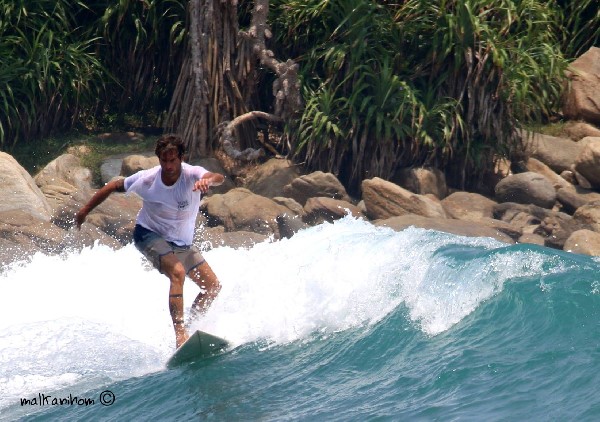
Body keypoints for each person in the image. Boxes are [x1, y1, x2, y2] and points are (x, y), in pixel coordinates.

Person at [76, 134, 225, 348]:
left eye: (173, 160)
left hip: (181, 243)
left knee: (212, 287)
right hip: (148, 235)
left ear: (181, 158)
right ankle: (180, 335)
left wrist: (208, 181)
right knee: (177, 272)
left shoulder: (193, 174)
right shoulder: (147, 179)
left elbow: (216, 177)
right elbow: (113, 186)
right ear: (159, 159)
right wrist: (85, 210)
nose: (168, 165)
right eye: (164, 160)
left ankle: (193, 328)